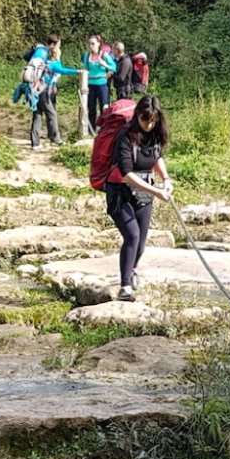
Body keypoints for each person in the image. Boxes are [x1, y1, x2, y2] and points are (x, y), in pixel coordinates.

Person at [106, 95, 173, 302]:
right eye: (145, 120)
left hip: (144, 194)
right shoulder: (125, 136)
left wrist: (166, 179)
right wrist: (156, 192)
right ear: (138, 117)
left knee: (141, 244)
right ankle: (125, 287)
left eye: (153, 120)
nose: (149, 124)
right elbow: (126, 173)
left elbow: (156, 157)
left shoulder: (155, 134)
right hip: (120, 192)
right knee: (132, 236)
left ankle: (132, 270)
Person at [28, 35, 80, 149]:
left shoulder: (44, 62)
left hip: (35, 90)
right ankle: (55, 139)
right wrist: (78, 71)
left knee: (37, 115)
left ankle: (35, 143)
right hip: (45, 92)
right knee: (52, 114)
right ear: (57, 55)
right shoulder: (54, 65)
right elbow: (64, 70)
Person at [83, 36, 117, 131]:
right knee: (91, 108)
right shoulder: (87, 56)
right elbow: (85, 68)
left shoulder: (104, 55)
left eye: (93, 43)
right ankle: (91, 129)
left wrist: (105, 66)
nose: (90, 46)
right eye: (89, 43)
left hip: (102, 84)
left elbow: (114, 67)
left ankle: (105, 129)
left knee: (104, 108)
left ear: (98, 44)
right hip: (90, 84)